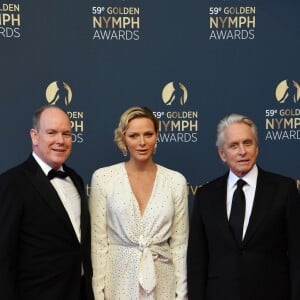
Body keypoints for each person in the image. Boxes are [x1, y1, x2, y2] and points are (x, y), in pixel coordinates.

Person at [187, 113, 300, 300]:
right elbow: (197, 261)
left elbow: (297, 256)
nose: (242, 151)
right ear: (222, 154)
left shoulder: (284, 189)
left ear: (256, 148)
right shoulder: (206, 195)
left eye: (247, 143)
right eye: (233, 145)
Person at [89, 106, 189, 299]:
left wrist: (181, 294)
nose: (142, 142)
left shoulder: (175, 181)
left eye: (148, 134)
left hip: (163, 279)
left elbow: (179, 246)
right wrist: (98, 294)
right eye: (134, 135)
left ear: (157, 136)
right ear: (123, 138)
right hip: (118, 279)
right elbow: (99, 244)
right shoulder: (104, 178)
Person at [0, 105, 94, 300]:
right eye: (51, 133)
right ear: (35, 136)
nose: (60, 140)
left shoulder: (75, 179)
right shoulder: (12, 182)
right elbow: (4, 255)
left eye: (66, 134)